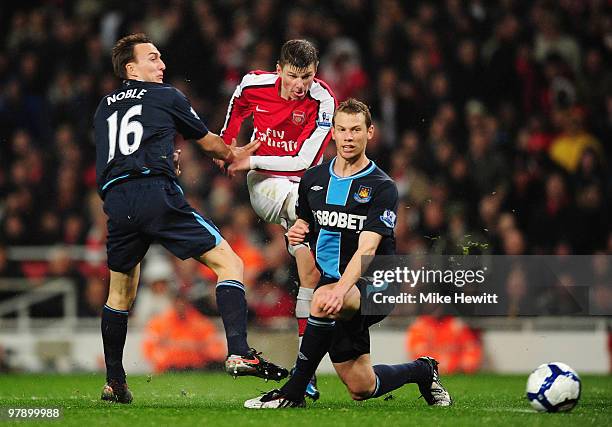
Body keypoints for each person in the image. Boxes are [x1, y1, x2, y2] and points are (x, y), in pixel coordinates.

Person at [94, 33, 288, 404]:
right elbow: (211, 143)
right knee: (230, 262)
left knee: (119, 294)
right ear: (131, 68)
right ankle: (239, 350)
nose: (161, 64)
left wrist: (162, 157)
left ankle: (115, 382)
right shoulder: (167, 95)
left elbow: (119, 152)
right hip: (154, 193)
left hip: (117, 200)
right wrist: (235, 152)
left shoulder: (104, 106)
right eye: (152, 58)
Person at [244, 99, 452, 408]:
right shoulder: (314, 180)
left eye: (356, 130)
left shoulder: (381, 187)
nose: (348, 137)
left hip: (375, 284)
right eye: (341, 129)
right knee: (360, 385)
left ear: (370, 132)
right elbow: (305, 225)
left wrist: (339, 290)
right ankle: (423, 370)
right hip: (336, 286)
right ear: (333, 133)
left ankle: (293, 392)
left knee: (323, 299)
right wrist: (300, 232)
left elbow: (368, 249)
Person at [220, 39, 337, 400]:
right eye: (292, 76)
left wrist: (248, 159)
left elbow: (305, 162)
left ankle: (307, 372)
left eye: (307, 76)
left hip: (305, 187)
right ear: (278, 69)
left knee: (311, 275)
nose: (300, 85)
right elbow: (236, 109)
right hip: (267, 185)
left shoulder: (323, 100)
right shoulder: (254, 84)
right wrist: (227, 147)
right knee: (309, 227)